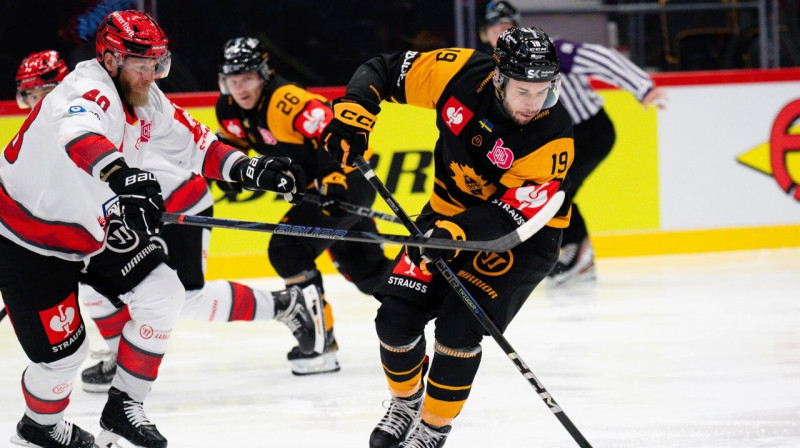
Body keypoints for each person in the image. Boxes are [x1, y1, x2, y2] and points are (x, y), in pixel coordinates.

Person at [0, 10, 307, 448]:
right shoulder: (85, 89)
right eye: (141, 64)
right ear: (108, 59)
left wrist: (252, 169)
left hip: (93, 226)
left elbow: (196, 143)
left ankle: (125, 405)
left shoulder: (145, 96)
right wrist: (124, 176)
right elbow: (77, 133)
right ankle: (39, 429)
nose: (151, 75)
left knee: (165, 292)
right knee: (64, 360)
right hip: (29, 238)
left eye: (157, 64)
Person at [320, 27, 574, 447]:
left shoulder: (552, 136)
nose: (534, 105)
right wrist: (353, 116)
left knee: (458, 331)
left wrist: (455, 233)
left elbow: (515, 213)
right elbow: (383, 70)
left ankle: (433, 428)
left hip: (521, 239)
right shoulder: (457, 72)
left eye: (544, 92)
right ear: (498, 79)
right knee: (394, 320)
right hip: (444, 219)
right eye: (523, 92)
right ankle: (405, 403)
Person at [215, 36, 393, 375]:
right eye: (233, 80)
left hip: (347, 182)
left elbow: (338, 133)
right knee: (368, 273)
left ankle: (318, 345)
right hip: (322, 189)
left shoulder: (287, 101)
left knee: (288, 248)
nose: (240, 88)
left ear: (264, 74)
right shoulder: (228, 109)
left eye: (248, 78)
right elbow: (237, 143)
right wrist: (228, 168)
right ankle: (444, 302)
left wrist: (335, 179)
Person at [482, 1, 668, 285]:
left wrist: (643, 87)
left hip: (590, 132)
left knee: (556, 189)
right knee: (549, 189)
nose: (498, 37)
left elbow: (601, 58)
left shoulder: (548, 51)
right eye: (492, 31)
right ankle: (576, 251)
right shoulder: (500, 69)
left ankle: (578, 252)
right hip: (560, 139)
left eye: (504, 28)